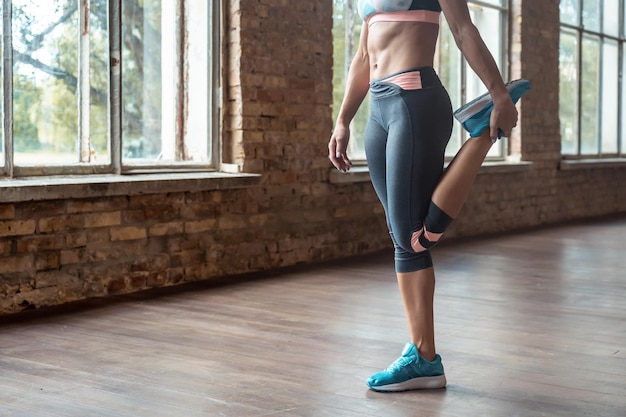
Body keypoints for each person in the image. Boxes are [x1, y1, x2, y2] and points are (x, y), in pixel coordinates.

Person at [328, 0, 530, 392]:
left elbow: (463, 29)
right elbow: (363, 56)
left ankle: (481, 137)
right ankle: (423, 358)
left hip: (414, 102)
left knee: (413, 239)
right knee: (404, 241)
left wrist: (499, 93)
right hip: (379, 108)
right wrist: (342, 121)